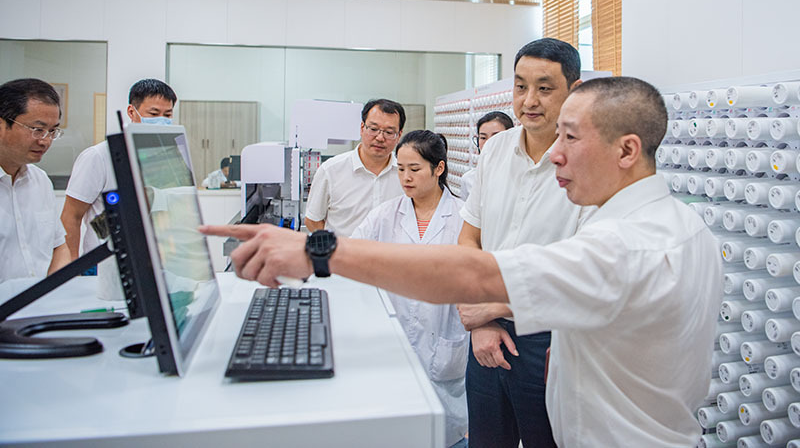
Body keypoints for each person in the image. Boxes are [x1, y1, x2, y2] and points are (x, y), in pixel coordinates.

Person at [202, 76, 723, 447]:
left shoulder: (630, 245)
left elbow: (471, 273)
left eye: (570, 137)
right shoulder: (675, 223)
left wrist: (317, 251)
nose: (555, 154)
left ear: (627, 150)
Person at [458, 38, 591, 447]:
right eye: (520, 86)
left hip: (551, 340)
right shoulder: (496, 150)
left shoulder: (590, 164)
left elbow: (584, 275)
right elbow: (470, 238)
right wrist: (482, 320)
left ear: (575, 90)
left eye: (544, 88)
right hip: (484, 332)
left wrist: (494, 307)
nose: (529, 100)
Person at [351, 130, 468, 448]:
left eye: (414, 169)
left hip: (444, 337)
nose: (405, 177)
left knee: (445, 434)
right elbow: (352, 253)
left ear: (439, 168)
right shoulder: (385, 215)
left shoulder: (463, 218)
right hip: (394, 338)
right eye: (400, 168)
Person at [60, 79, 177, 261]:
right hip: (104, 262)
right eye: (153, 114)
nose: (161, 120)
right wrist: (71, 269)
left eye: (167, 115)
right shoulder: (98, 156)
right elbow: (71, 216)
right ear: (131, 112)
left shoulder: (165, 158)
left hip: (152, 261)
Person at [0, 78, 70, 282]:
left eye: (52, 131)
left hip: (42, 301)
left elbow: (59, 247)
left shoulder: (40, 181)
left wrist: (54, 291)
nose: (45, 141)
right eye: (37, 129)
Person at [304, 98, 406, 237]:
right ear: (362, 128)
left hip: (389, 251)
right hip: (344, 250)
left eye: (389, 132)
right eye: (373, 129)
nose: (380, 138)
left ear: (399, 135)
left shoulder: (406, 173)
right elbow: (313, 220)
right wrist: (336, 246)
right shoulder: (331, 170)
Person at [460, 110, 513, 201]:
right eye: (483, 138)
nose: (489, 143)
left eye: (496, 136)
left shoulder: (521, 175)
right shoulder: (469, 179)